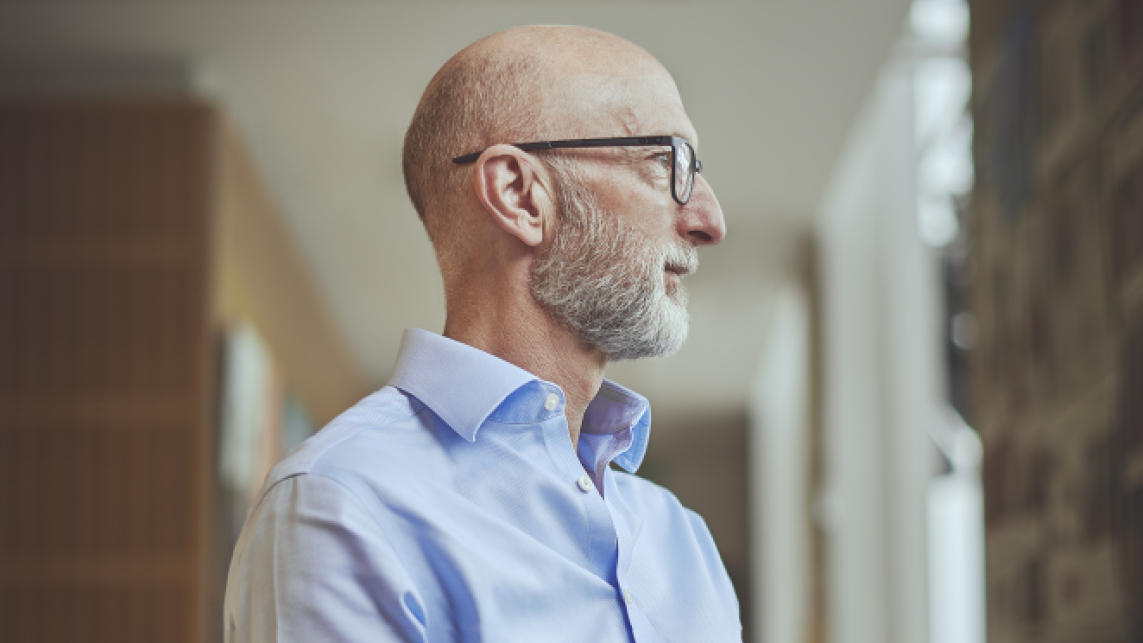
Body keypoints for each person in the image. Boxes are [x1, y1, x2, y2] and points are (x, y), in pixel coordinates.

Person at [224, 25, 738, 642]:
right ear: (520, 195)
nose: (710, 220)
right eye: (665, 162)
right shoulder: (343, 504)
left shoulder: (683, 541)